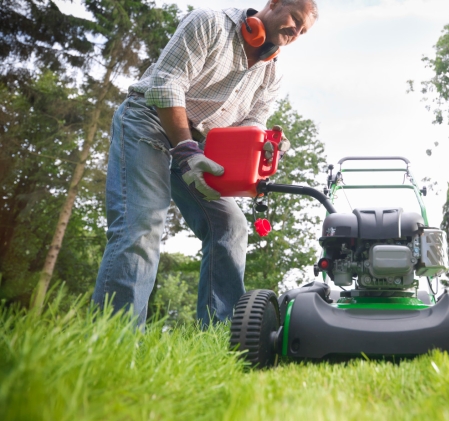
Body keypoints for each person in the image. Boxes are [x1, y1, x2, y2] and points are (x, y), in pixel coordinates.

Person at [92, 0, 318, 328]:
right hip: (148, 120)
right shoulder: (210, 23)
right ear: (274, 4)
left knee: (231, 225)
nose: (295, 32)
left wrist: (263, 146)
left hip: (201, 148)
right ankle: (114, 342)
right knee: (141, 225)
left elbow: (253, 121)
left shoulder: (273, 72)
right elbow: (166, 83)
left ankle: (219, 337)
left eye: (303, 30)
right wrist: (185, 151)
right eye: (294, 19)